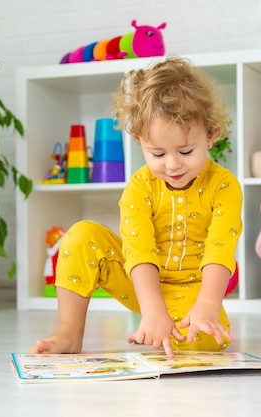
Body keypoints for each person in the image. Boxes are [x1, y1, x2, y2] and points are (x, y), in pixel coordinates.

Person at [30, 56, 243, 357]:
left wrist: (206, 307)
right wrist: (153, 311)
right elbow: (138, 249)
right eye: (156, 153)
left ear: (211, 135)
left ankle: (176, 323)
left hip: (194, 290)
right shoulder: (139, 187)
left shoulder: (225, 186)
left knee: (203, 339)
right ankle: (69, 332)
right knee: (81, 236)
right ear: (139, 140)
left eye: (185, 151)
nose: (172, 164)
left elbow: (220, 250)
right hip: (141, 283)